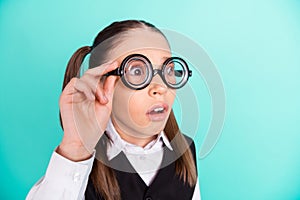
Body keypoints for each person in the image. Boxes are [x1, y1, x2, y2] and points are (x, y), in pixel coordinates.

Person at [26, 19, 201, 200]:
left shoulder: (185, 150)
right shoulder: (79, 164)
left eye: (169, 70)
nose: (161, 87)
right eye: (137, 71)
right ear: (102, 82)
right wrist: (76, 147)